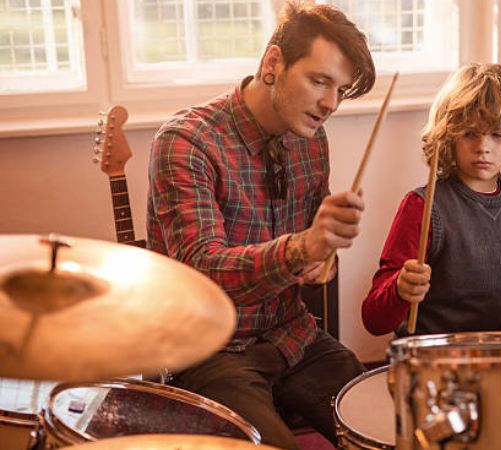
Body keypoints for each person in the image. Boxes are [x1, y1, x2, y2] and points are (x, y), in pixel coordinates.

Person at [146, 3, 376, 449]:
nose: (330, 103)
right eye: (319, 80)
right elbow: (201, 271)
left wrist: (324, 256)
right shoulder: (186, 141)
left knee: (392, 426)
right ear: (274, 63)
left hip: (294, 334)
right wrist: (302, 248)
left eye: (341, 90)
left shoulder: (311, 139)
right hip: (212, 353)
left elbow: (313, 250)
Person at [361, 63, 501, 337]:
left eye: (497, 135)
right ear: (449, 137)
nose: (483, 146)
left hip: (499, 359)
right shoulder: (421, 207)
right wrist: (400, 288)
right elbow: (374, 320)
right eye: (470, 133)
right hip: (433, 362)